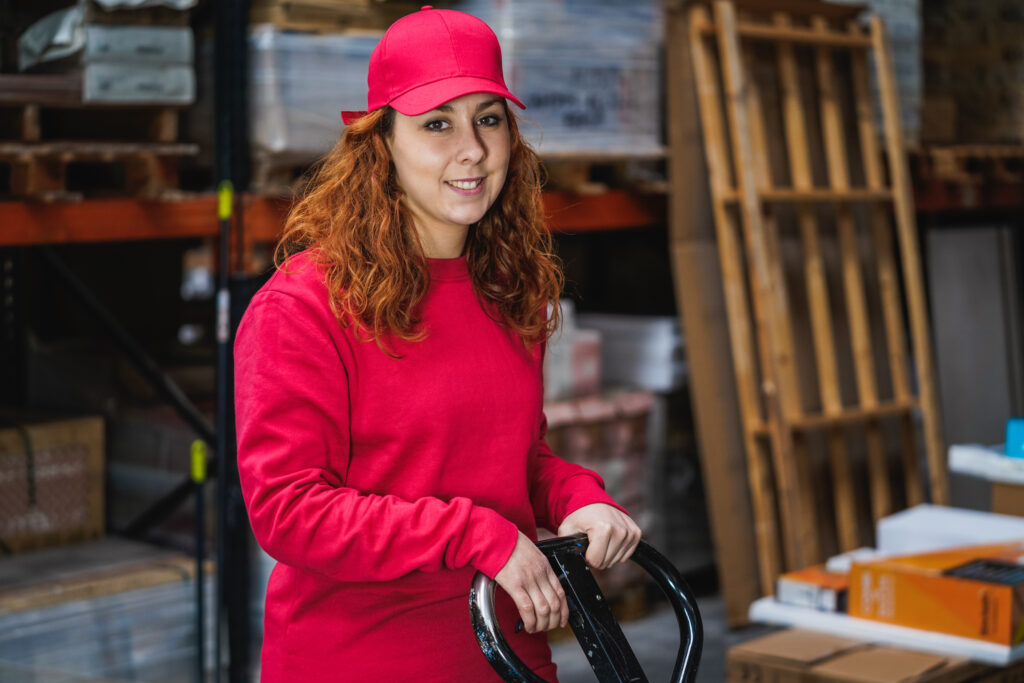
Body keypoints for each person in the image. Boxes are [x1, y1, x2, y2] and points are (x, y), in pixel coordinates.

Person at [234, 6, 641, 682]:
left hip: (509, 655)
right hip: (360, 661)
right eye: (436, 125)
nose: (473, 151)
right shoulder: (303, 306)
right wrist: (476, 535)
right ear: (380, 142)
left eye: (488, 118)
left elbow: (514, 454)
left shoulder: (506, 287)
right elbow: (290, 510)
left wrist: (578, 495)